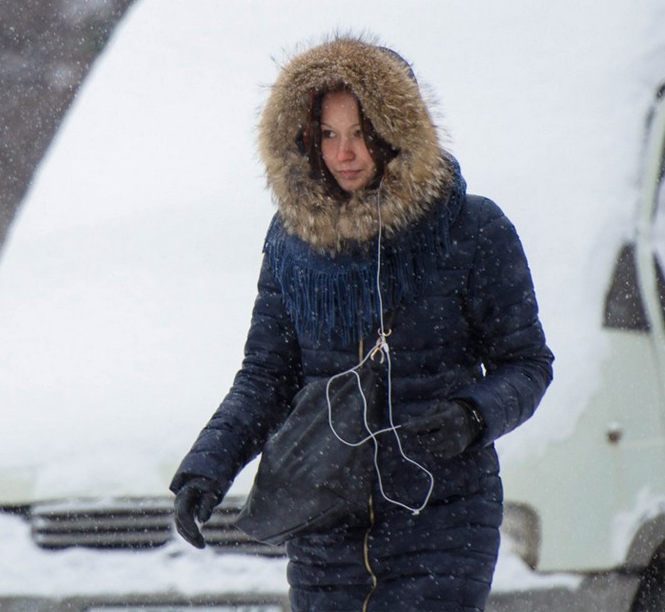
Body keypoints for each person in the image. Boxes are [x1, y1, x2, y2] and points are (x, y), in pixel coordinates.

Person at [170, 36, 554, 612]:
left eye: (360, 132)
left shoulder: (473, 229)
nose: (344, 153)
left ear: (396, 132)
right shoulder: (291, 243)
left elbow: (527, 365)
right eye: (328, 134)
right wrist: (208, 466)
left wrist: (473, 415)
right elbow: (266, 378)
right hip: (326, 521)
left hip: (443, 517)